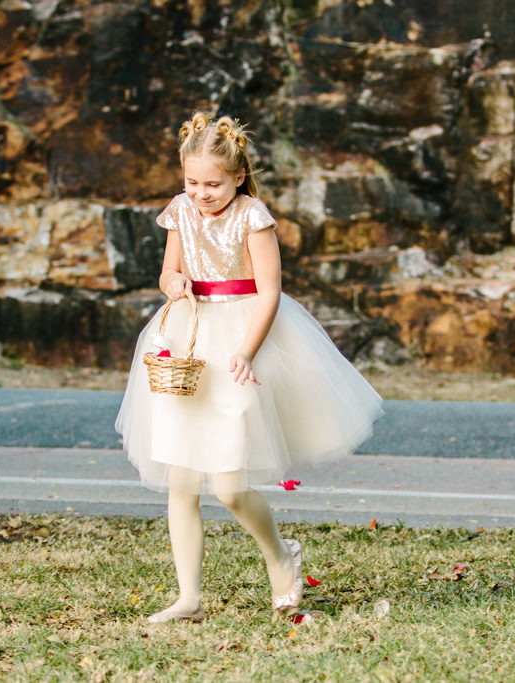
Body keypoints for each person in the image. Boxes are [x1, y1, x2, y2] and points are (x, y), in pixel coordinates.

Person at [115, 111, 384, 623]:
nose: (201, 193)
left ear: (238, 176)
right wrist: (173, 283)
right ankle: (188, 598)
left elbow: (270, 292)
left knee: (229, 486)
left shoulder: (252, 216)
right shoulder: (180, 211)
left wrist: (246, 350)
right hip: (189, 337)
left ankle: (281, 556)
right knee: (181, 479)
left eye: (212, 184)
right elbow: (169, 270)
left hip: (240, 335)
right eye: (192, 182)